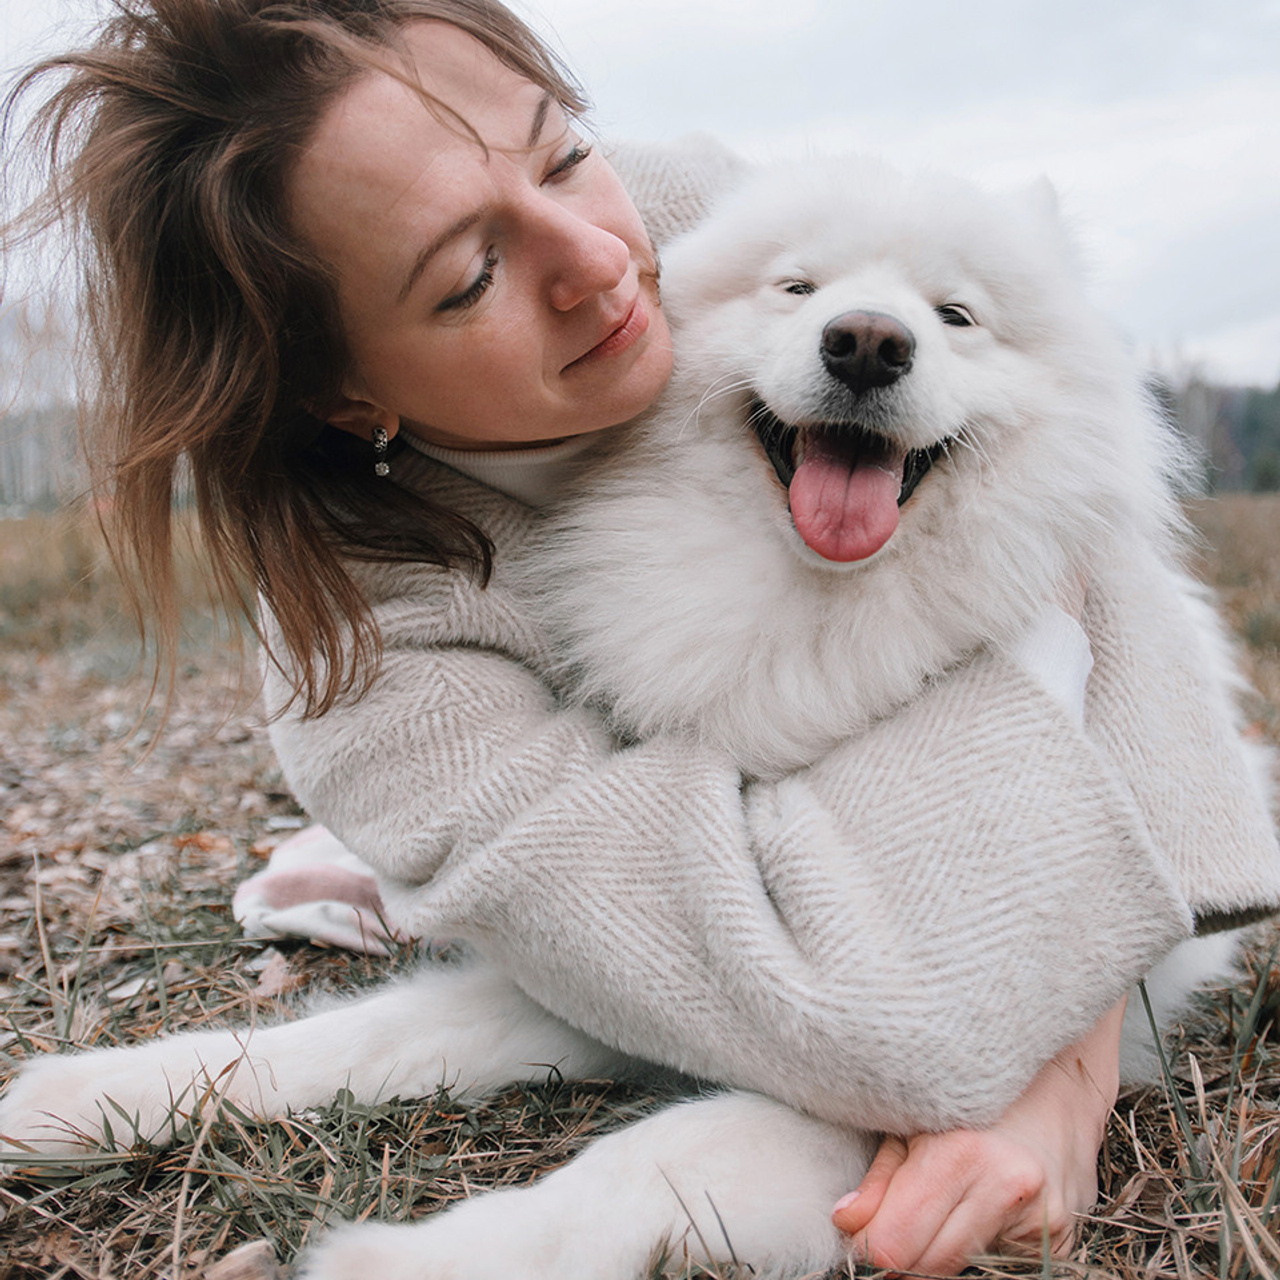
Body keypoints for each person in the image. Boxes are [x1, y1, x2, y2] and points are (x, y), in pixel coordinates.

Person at [5, 1, 1276, 1275]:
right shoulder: (374, 673)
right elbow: (766, 981)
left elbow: (1107, 547)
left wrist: (1068, 1062)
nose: (598, 262)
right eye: (465, 275)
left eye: (559, 150)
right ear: (344, 387)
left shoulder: (706, 225)